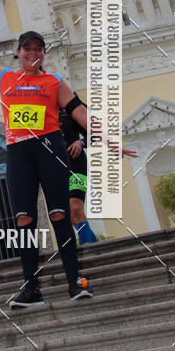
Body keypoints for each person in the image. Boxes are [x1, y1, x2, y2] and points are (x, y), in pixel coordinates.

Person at [0, 16, 137, 307]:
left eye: (39, 48)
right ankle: (31, 289)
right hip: (18, 152)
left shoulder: (55, 82)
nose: (33, 53)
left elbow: (81, 114)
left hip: (51, 149)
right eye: (28, 48)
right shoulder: (4, 77)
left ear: (43, 54)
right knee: (24, 219)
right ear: (18, 51)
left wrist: (110, 140)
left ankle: (75, 283)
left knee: (60, 215)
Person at [59, 104, 98, 245]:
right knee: (70, 215)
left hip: (76, 164)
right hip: (56, 169)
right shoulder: (39, 110)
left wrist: (81, 142)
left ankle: (89, 250)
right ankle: (95, 246)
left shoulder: (71, 105)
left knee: (75, 208)